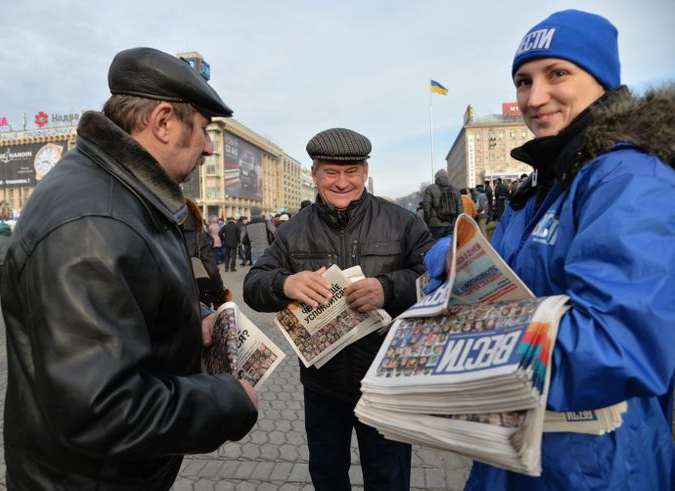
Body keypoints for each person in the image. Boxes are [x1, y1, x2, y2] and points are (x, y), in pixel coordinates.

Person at [426, 10, 675, 489]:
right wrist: (450, 261)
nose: (534, 98)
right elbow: (507, 280)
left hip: (596, 465)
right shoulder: (541, 184)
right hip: (512, 452)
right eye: (523, 81)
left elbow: (619, 344)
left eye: (557, 74)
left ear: (602, 80)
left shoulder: (629, 178)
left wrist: (462, 350)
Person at [0, 47, 258, 490]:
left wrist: (189, 322)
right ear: (161, 122)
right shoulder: (95, 221)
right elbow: (102, 410)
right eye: (203, 129)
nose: (210, 147)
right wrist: (229, 401)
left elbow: (130, 297)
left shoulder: (122, 193)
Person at [244, 128, 433, 490]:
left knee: (388, 478)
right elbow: (253, 284)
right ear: (314, 175)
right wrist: (285, 284)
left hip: (385, 380)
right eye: (331, 172)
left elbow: (438, 278)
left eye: (351, 172)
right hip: (322, 385)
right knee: (327, 476)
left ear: (365, 172)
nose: (342, 182)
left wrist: (388, 288)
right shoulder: (292, 231)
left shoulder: (403, 222)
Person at [184, 199, 228, 307]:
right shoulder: (198, 234)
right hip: (197, 292)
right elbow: (210, 267)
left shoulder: (161, 232)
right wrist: (220, 294)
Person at [421, 169, 462, 238]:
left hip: (435, 224)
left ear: (436, 178)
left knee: (437, 246)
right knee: (450, 245)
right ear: (447, 178)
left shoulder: (430, 188)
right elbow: (460, 209)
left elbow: (426, 208)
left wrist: (428, 221)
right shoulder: (455, 190)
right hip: (452, 223)